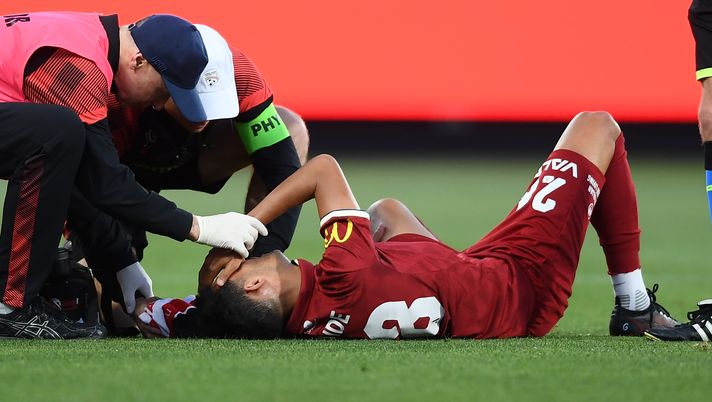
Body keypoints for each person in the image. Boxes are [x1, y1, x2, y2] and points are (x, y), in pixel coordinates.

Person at [135, 111, 679, 339]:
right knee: (597, 126)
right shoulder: (345, 271)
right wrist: (245, 226)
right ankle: (633, 308)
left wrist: (117, 301)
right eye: (236, 263)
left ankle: (437, 283)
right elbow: (322, 168)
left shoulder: (267, 314)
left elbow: (163, 310)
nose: (239, 256)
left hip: (444, 282)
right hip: (516, 285)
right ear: (253, 283)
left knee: (386, 211)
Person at [0, 12, 266, 339]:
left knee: (59, 137)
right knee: (57, 131)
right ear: (139, 61)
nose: (158, 106)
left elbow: (80, 184)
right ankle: (9, 306)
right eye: (163, 91)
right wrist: (200, 227)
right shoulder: (79, 63)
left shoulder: (87, 40)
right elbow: (106, 184)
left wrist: (122, 262)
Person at [62, 24, 309, 335]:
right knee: (110, 306)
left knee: (290, 126)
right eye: (195, 100)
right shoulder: (117, 90)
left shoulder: (242, 75)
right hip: (116, 168)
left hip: (192, 160)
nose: (203, 116)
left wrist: (252, 256)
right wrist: (117, 258)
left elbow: (281, 168)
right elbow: (91, 185)